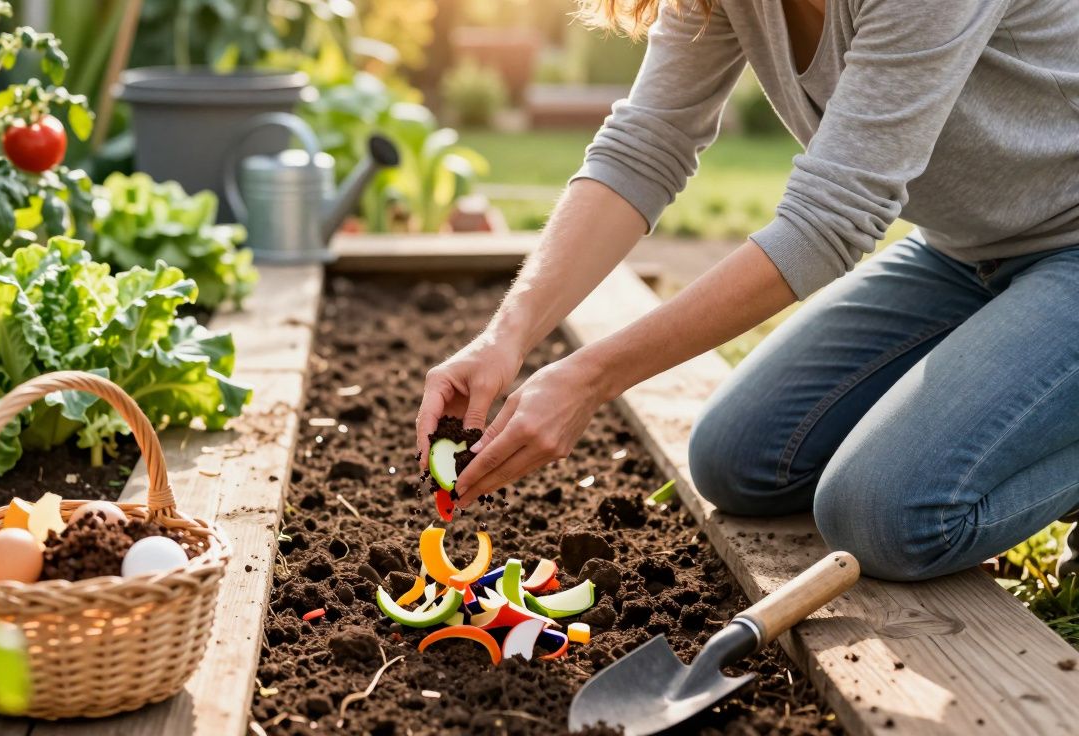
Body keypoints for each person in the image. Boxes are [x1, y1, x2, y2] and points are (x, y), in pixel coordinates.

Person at [415, 0, 1079, 582]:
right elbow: (646, 143)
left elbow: (828, 221)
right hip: (964, 252)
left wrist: (590, 376)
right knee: (739, 458)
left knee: (884, 514)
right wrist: (509, 333)